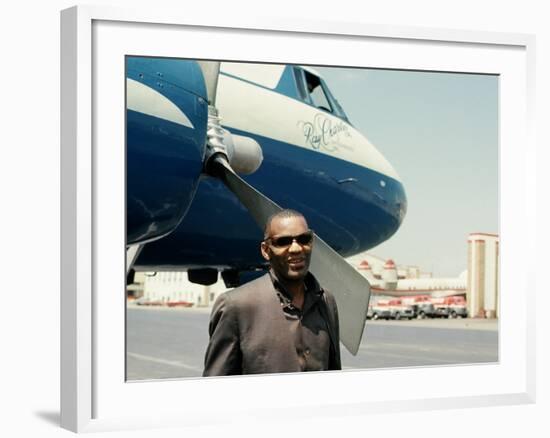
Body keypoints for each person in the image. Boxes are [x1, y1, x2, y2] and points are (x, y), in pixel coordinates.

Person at [203, 209, 341, 376]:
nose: (296, 248)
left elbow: (334, 376)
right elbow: (215, 386)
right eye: (283, 242)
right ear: (266, 250)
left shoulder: (326, 301)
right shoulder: (235, 306)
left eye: (304, 239)